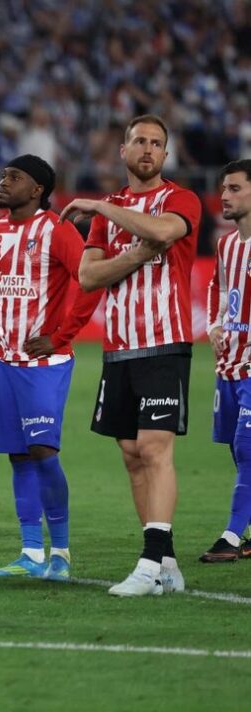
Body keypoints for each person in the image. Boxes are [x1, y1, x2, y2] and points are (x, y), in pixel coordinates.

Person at [62, 114, 202, 596]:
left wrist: (101, 205)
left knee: (154, 448)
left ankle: (148, 563)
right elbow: (88, 277)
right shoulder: (110, 213)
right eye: (139, 141)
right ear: (123, 152)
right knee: (129, 454)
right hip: (119, 346)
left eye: (157, 143)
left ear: (165, 156)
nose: (147, 148)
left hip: (164, 342)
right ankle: (166, 563)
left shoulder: (181, 199)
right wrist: (136, 256)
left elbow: (164, 232)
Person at [0, 154, 101, 580]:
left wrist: (61, 335)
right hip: (5, 360)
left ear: (37, 190)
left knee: (43, 451)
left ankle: (61, 553)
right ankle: (31, 553)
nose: (3, 182)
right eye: (3, 175)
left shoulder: (58, 231)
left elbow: (89, 282)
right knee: (18, 454)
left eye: (14, 177)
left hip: (43, 361)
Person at [200, 159, 251, 563]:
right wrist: (214, 324)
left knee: (246, 446)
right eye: (224, 189)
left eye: (235, 188)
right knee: (236, 451)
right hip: (229, 362)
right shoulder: (226, 244)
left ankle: (231, 536)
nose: (225, 196)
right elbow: (219, 287)